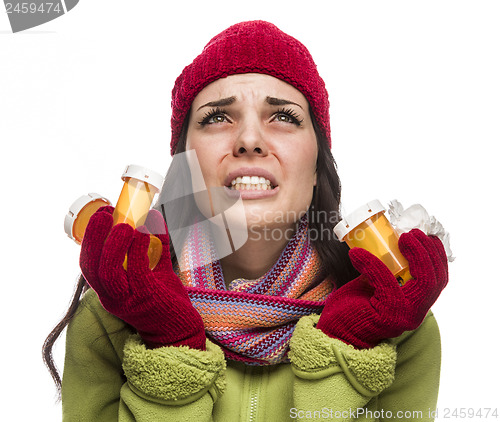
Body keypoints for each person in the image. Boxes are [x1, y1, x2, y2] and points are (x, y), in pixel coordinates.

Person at [43, 21, 448, 421]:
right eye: (217, 117)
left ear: (315, 167)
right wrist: (168, 347)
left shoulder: (395, 319)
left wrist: (344, 355)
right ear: (184, 166)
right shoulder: (110, 318)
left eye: (284, 117)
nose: (249, 139)